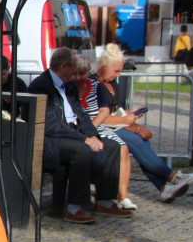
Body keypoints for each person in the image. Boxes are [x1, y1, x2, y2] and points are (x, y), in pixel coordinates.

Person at [27, 47, 129, 224]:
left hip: (72, 133)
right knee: (82, 150)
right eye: (74, 67)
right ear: (65, 66)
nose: (76, 72)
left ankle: (104, 201)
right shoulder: (41, 85)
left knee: (112, 146)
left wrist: (93, 136)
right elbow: (51, 125)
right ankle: (74, 207)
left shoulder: (69, 86)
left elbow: (81, 115)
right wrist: (84, 139)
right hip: (51, 139)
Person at [94, 44, 193, 203]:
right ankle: (172, 178)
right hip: (101, 128)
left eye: (120, 70)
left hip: (114, 123)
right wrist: (131, 124)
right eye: (116, 71)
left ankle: (164, 187)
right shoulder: (94, 84)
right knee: (136, 140)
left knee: (142, 141)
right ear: (103, 67)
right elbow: (101, 117)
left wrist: (130, 114)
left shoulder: (112, 83)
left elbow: (115, 111)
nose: (118, 74)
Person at [75, 52, 134, 211]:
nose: (80, 77)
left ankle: (120, 196)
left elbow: (104, 110)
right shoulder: (69, 87)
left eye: (83, 73)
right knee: (105, 149)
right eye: (77, 73)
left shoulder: (94, 86)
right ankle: (104, 198)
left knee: (121, 147)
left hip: (96, 125)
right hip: (78, 129)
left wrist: (92, 127)